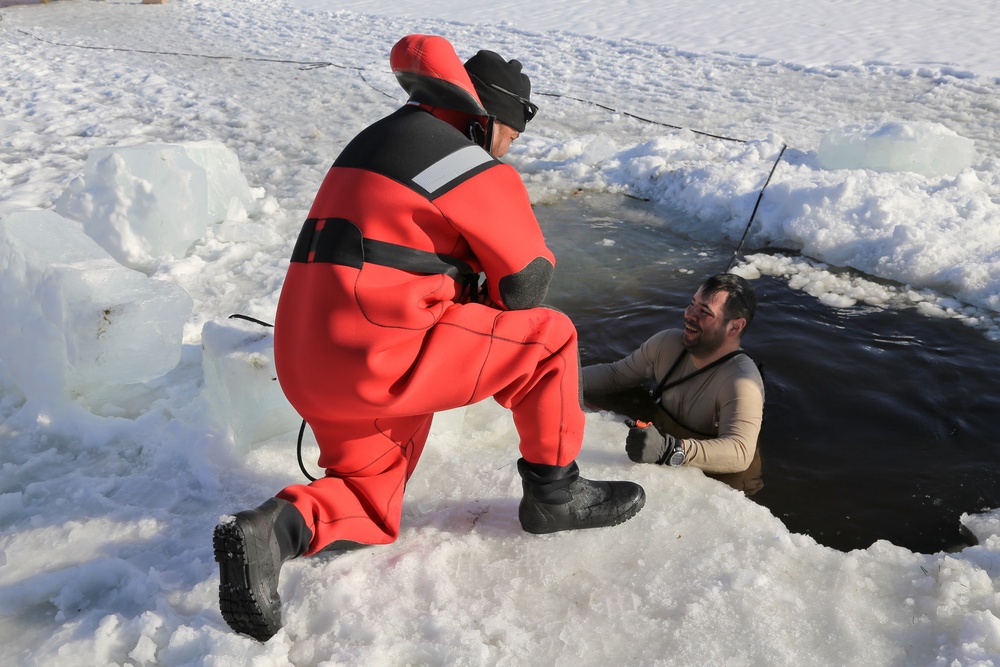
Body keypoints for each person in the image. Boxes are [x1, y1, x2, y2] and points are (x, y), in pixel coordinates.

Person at [213, 34, 645, 642]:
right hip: (378, 355)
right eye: (512, 138)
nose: (509, 153)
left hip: (305, 360)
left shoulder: (374, 138)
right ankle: (556, 494)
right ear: (489, 119)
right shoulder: (466, 161)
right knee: (551, 341)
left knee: (370, 502)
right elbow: (527, 287)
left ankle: (270, 531)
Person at [582, 273, 764, 477]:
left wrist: (669, 450)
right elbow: (615, 374)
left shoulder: (741, 382)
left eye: (704, 311)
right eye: (692, 304)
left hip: (716, 473)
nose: (688, 314)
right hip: (664, 439)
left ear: (735, 326)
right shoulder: (666, 344)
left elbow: (740, 452)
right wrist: (562, 378)